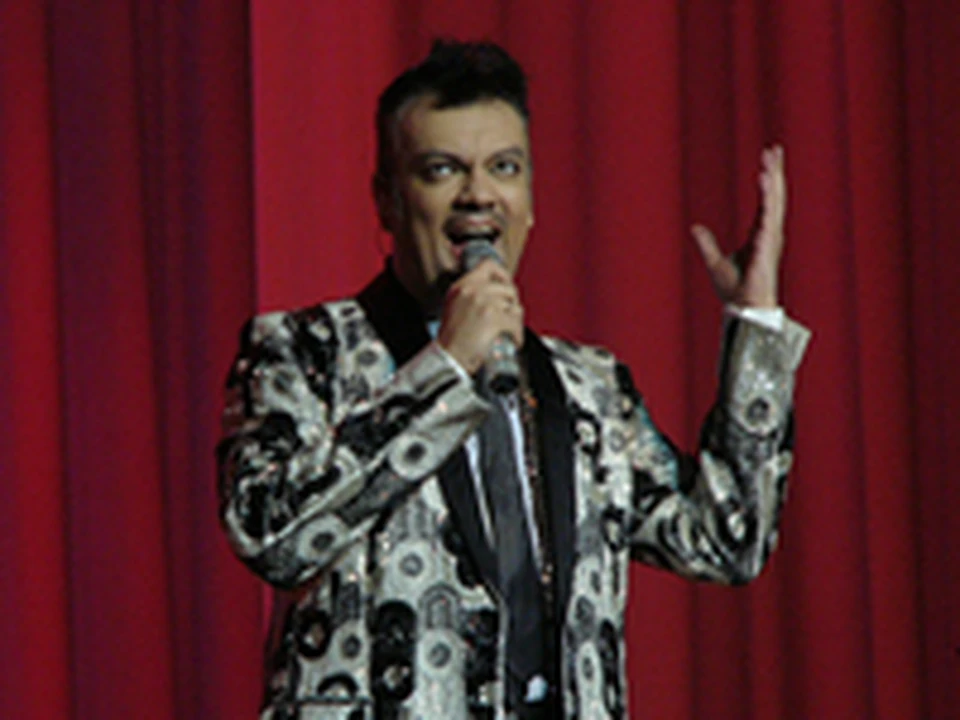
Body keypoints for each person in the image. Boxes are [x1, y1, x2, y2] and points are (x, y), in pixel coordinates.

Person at [217, 40, 810, 720]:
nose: (478, 196)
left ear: (529, 200)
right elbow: (272, 537)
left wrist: (756, 321)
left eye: (504, 168)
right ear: (387, 201)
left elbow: (727, 540)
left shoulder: (590, 388)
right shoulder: (302, 352)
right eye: (442, 170)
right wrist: (446, 368)